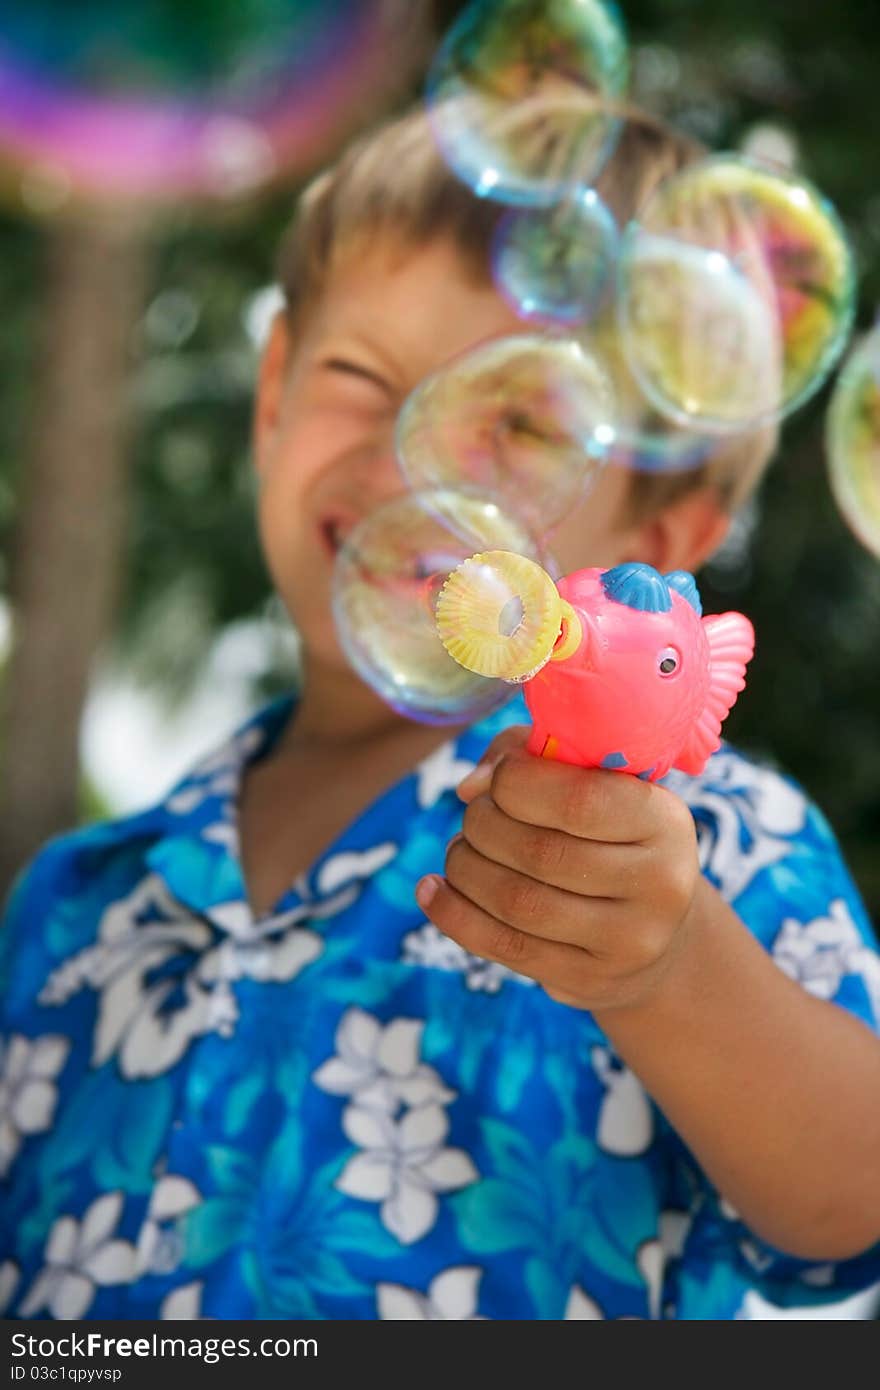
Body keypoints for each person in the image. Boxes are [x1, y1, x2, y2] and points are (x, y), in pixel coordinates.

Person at [1, 104, 879, 1323]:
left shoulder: (712, 844)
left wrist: (671, 971)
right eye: (361, 380)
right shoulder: (79, 898)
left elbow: (852, 1201)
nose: (407, 464)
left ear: (659, 549)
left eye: (519, 421)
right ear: (272, 396)